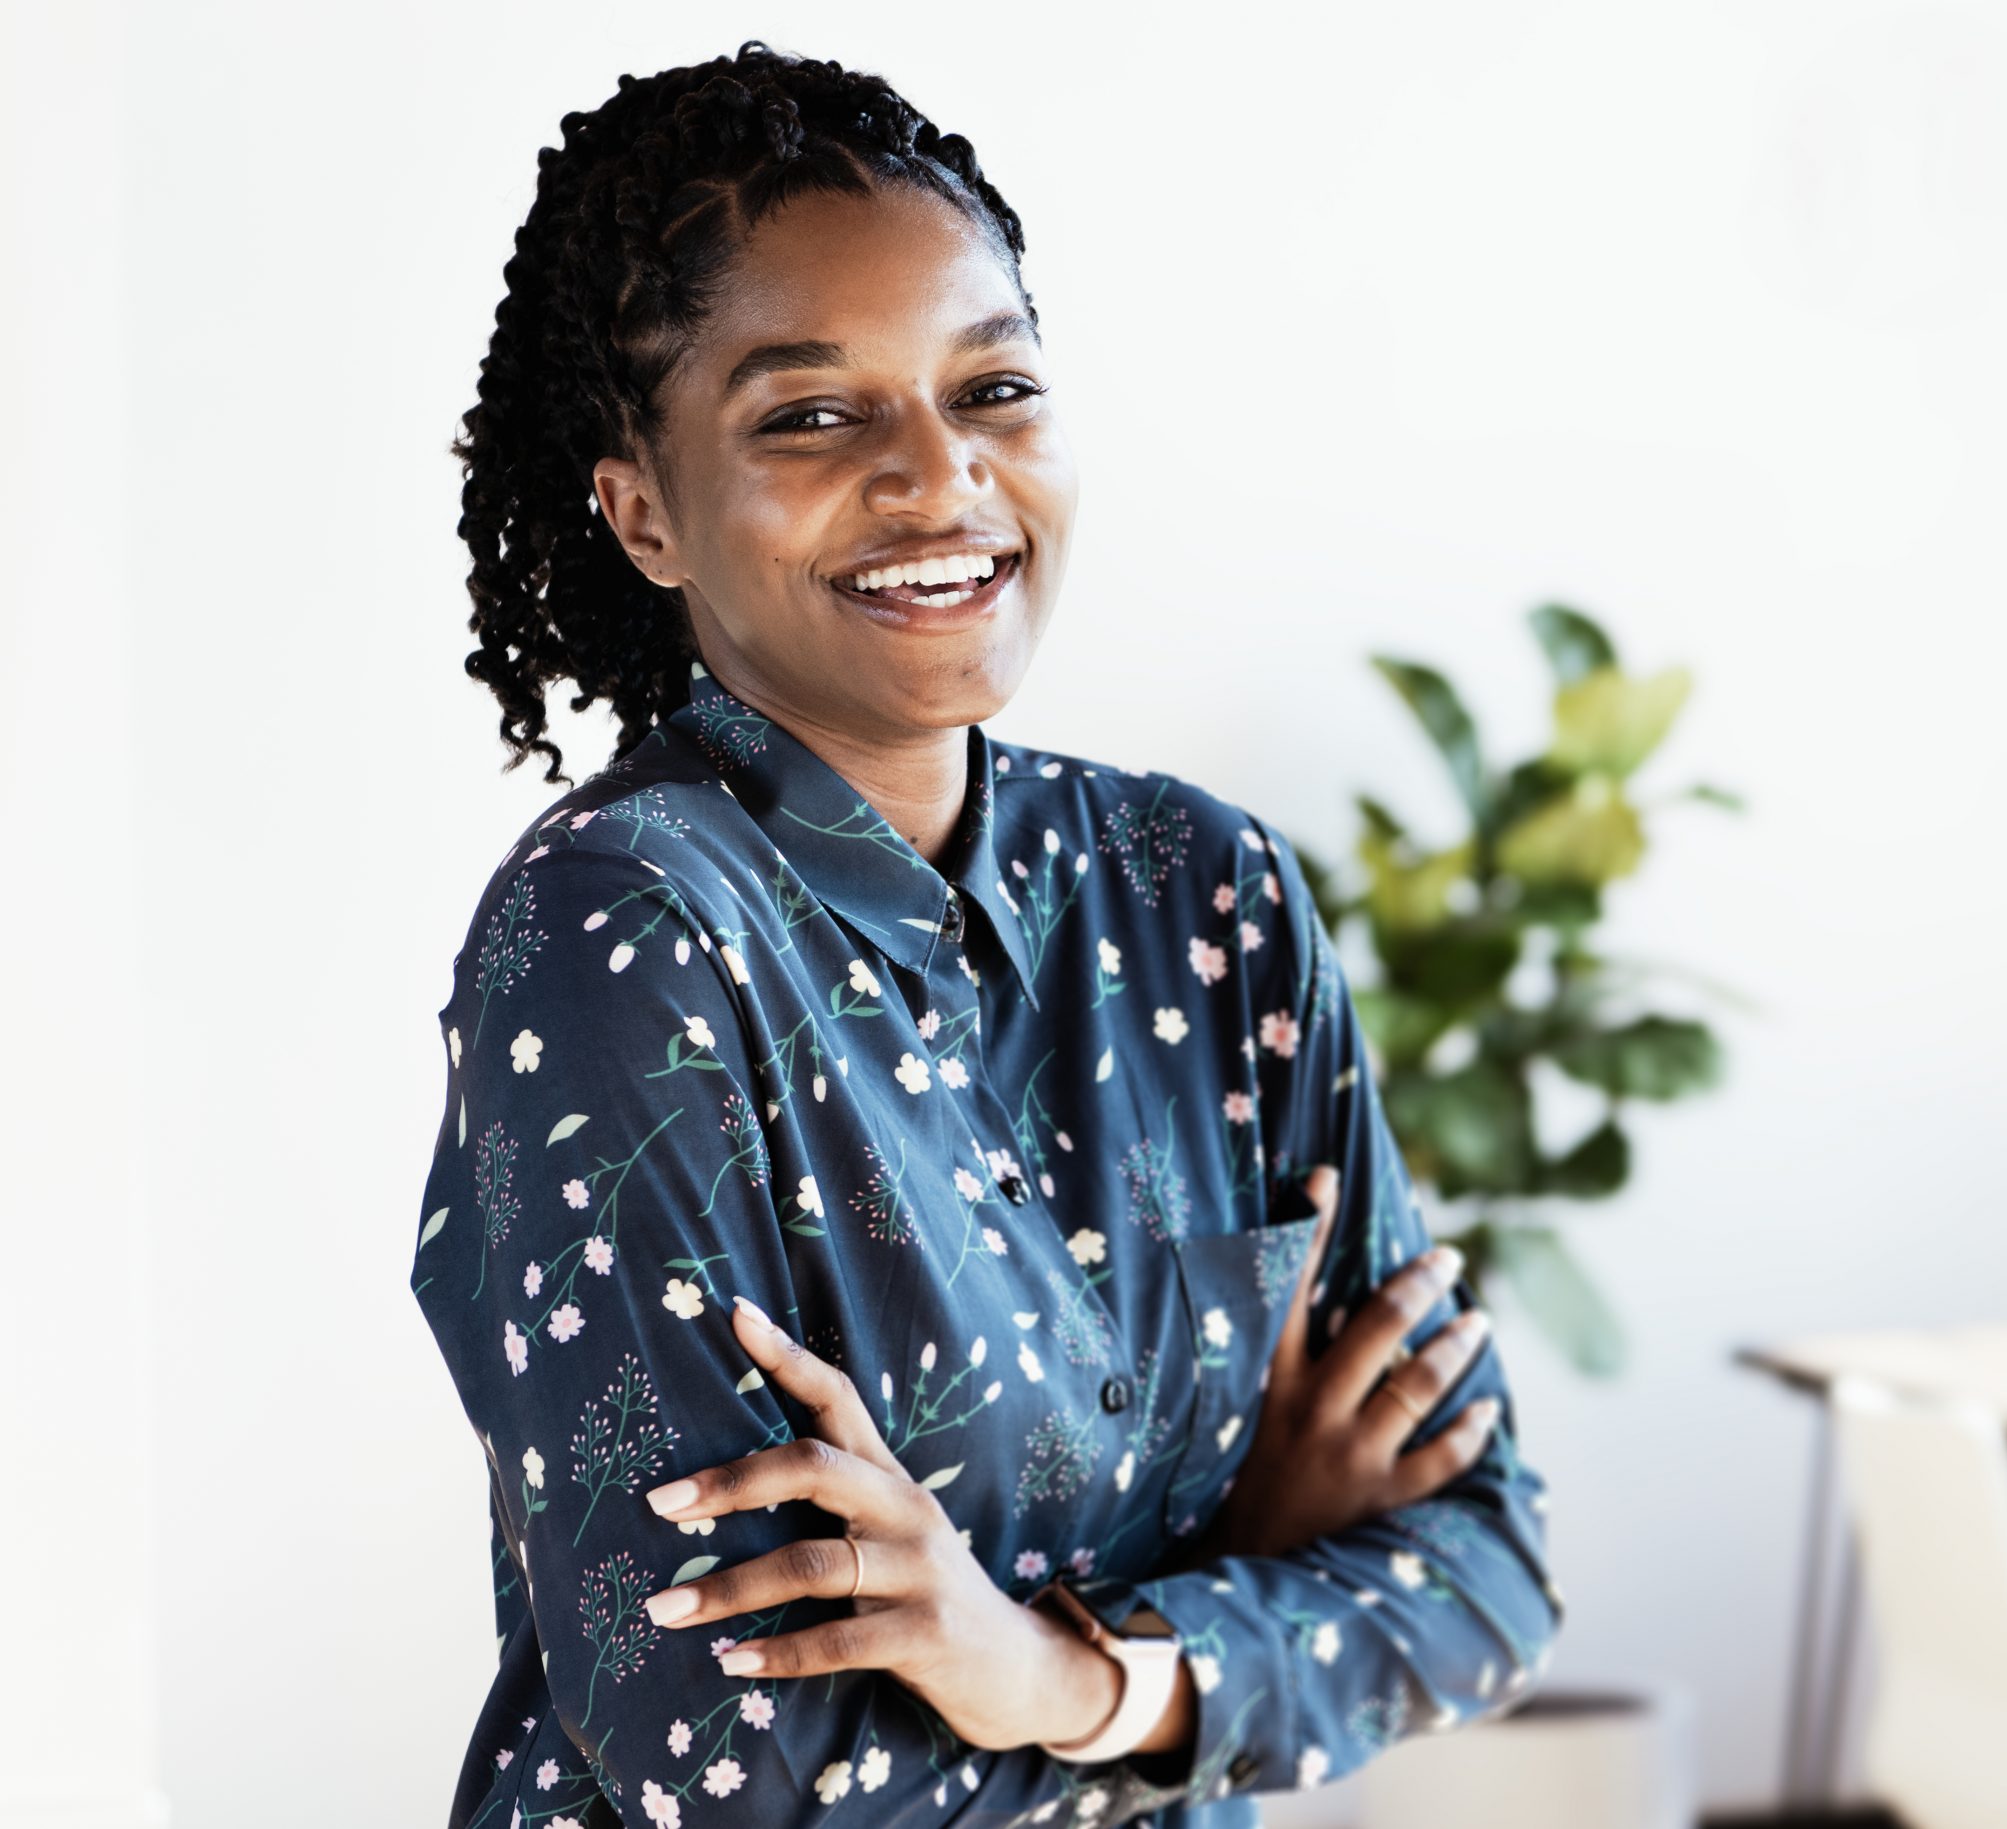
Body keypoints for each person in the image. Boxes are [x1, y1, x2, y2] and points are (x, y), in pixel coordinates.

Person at [410, 41, 1564, 1829]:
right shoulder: (619, 937)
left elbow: (1487, 1573)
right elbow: (733, 1770)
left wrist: (1066, 1666)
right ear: (645, 509)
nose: (938, 478)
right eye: (811, 414)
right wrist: (1228, 1609)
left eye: (996, 388)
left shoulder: (1216, 898)